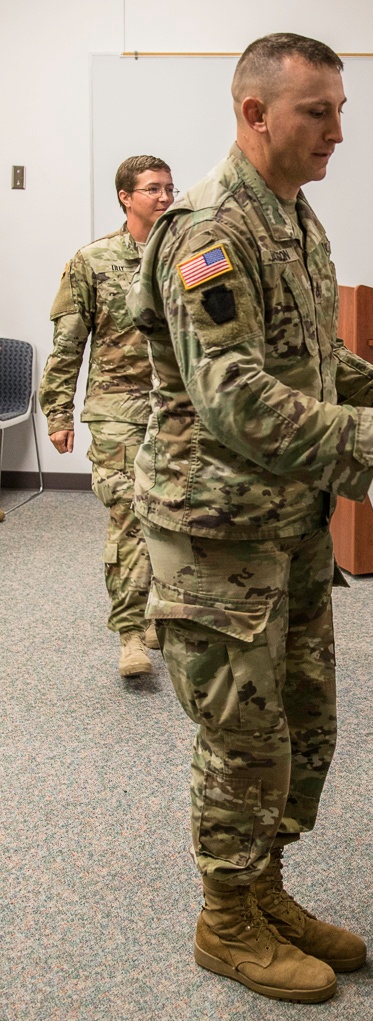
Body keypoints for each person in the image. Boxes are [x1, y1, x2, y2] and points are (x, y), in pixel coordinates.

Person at [126, 32, 373, 1005]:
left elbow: (309, 363)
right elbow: (232, 393)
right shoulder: (206, 229)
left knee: (300, 724)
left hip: (284, 517)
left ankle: (263, 885)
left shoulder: (291, 217)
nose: (336, 131)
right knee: (241, 734)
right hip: (215, 528)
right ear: (254, 115)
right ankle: (223, 919)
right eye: (316, 111)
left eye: (339, 109)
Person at [39, 155, 174, 677]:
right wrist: (58, 410)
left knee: (173, 513)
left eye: (168, 188)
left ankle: (162, 613)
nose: (164, 198)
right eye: (152, 189)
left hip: (180, 409)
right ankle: (129, 633)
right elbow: (67, 345)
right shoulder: (92, 261)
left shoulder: (187, 256)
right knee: (128, 513)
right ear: (125, 196)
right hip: (117, 407)